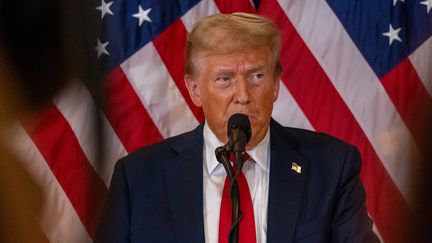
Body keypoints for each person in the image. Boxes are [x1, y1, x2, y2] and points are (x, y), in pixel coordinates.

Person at [95, 12, 379, 243]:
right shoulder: (139, 178)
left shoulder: (331, 167)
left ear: (276, 84)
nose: (243, 95)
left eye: (256, 76)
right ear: (195, 90)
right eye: (225, 79)